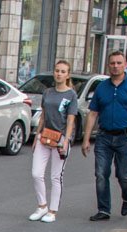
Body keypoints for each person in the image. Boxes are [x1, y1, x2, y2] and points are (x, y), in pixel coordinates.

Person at [83, 50, 127, 221]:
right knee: (101, 173)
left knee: (123, 175)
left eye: (119, 63)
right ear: (108, 66)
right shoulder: (102, 87)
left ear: (125, 65)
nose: (115, 66)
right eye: (112, 63)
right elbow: (93, 113)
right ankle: (104, 209)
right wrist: (86, 139)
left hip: (126, 137)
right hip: (104, 137)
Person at [28, 59, 79, 223]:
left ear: (68, 75)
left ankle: (52, 210)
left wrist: (66, 141)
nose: (59, 74)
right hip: (44, 136)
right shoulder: (48, 92)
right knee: (36, 173)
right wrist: (36, 135)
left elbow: (70, 120)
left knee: (56, 177)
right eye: (57, 71)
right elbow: (43, 116)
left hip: (60, 138)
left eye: (63, 71)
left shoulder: (71, 95)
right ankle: (42, 205)